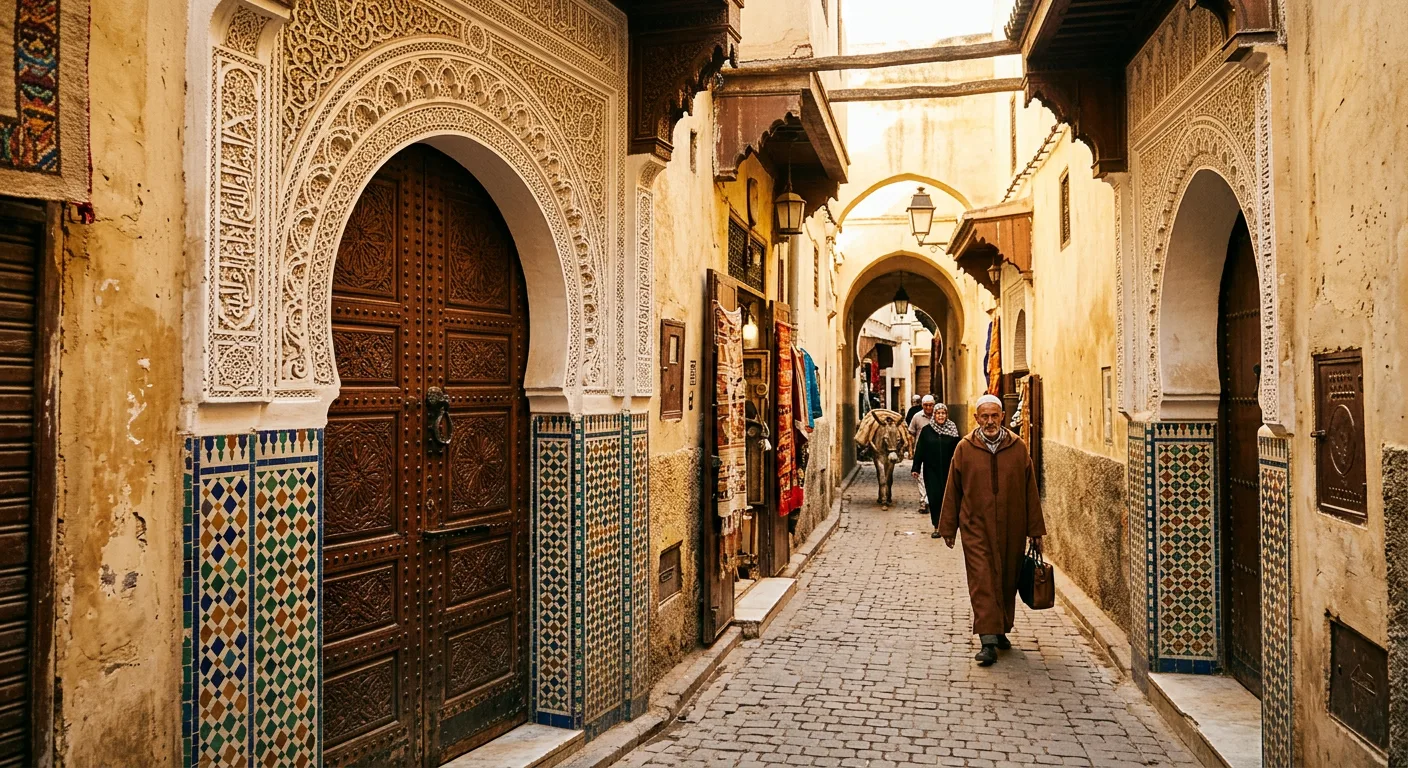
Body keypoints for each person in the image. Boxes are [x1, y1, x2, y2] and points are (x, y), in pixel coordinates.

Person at [938, 394, 1046, 666]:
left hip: (1013, 525)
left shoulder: (1018, 447)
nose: (989, 421)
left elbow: (1030, 490)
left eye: (994, 416)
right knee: (983, 580)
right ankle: (987, 639)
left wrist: (1035, 530)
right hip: (976, 527)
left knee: (1007, 579)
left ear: (1002, 417)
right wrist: (948, 527)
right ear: (976, 419)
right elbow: (953, 489)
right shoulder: (965, 448)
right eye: (984, 416)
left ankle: (1000, 629)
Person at [911, 402, 961, 537]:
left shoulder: (952, 429)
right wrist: (915, 467)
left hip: (948, 470)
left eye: (943, 413)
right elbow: (920, 450)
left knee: (948, 498)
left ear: (947, 415)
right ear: (934, 414)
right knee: (934, 498)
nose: (941, 415)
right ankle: (937, 526)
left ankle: (948, 525)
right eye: (938, 413)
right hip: (931, 471)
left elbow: (959, 451)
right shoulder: (927, 431)